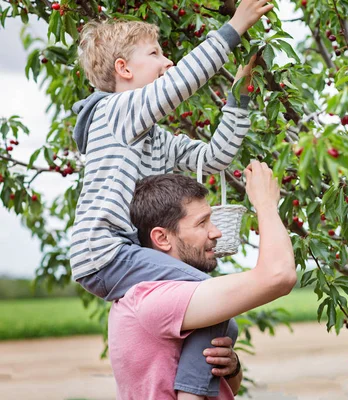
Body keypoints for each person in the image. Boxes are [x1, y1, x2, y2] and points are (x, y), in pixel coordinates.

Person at [69, 0, 274, 397]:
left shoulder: (154, 136)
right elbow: (179, 85)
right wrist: (235, 27)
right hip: (105, 249)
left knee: (224, 321)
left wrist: (239, 100)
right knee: (217, 297)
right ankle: (191, 395)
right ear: (123, 70)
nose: (168, 62)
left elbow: (212, 159)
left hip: (123, 252)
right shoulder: (113, 111)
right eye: (155, 53)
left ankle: (194, 386)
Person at [109, 161, 296, 399]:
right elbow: (279, 275)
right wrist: (266, 204)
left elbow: (226, 389)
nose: (216, 232)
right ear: (162, 238)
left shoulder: (178, 294)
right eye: (202, 223)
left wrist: (232, 367)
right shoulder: (153, 299)